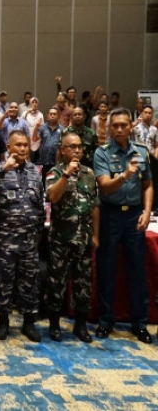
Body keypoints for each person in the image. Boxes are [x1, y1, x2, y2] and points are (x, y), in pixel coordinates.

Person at [93, 109, 153, 344]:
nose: (119, 129)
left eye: (123, 125)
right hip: (110, 215)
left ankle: (140, 324)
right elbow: (105, 187)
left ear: (131, 127)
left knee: (137, 271)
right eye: (115, 125)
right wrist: (125, 175)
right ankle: (105, 321)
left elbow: (148, 185)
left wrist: (147, 211)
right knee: (107, 270)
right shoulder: (102, 153)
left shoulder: (141, 152)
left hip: (134, 216)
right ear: (109, 128)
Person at [0, 130, 45, 342]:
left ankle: (29, 323)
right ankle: (3, 322)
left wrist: (38, 231)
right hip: (6, 240)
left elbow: (39, 203)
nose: (22, 149)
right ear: (9, 147)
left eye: (25, 145)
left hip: (29, 240)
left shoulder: (34, 171)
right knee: (4, 282)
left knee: (30, 283)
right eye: (18, 145)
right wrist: (3, 169)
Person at [44, 131, 98, 343]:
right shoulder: (54, 173)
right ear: (62, 150)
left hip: (84, 240)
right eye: (72, 147)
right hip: (61, 240)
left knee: (83, 285)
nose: (77, 150)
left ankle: (80, 325)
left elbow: (94, 206)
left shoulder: (89, 173)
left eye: (79, 147)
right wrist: (66, 174)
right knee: (56, 284)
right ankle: (54, 325)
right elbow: (52, 197)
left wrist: (96, 235)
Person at [35, 107, 63, 178]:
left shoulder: (62, 129)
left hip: (56, 162)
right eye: (51, 114)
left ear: (58, 116)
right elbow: (35, 139)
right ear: (47, 116)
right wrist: (36, 127)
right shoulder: (42, 128)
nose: (52, 116)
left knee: (55, 180)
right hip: (44, 161)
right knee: (44, 180)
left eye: (54, 114)